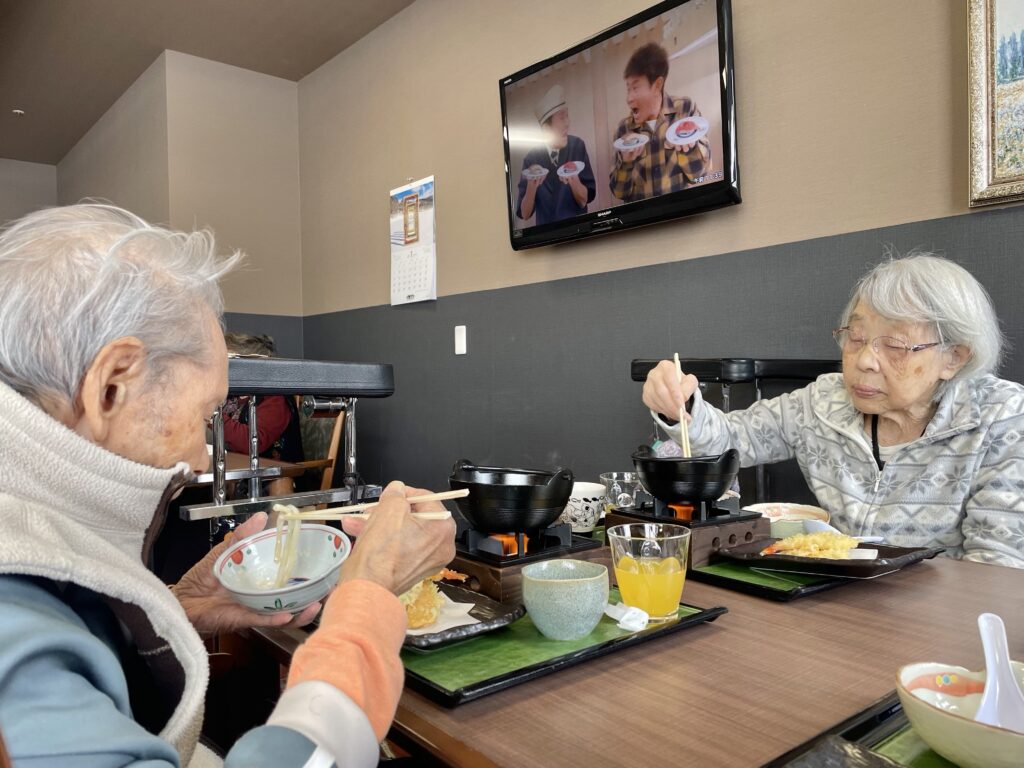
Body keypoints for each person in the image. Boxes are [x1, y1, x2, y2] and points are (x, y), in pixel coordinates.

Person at [0, 203, 457, 767]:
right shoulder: (14, 622)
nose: (201, 456)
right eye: (203, 418)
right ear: (112, 385)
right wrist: (370, 597)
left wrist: (173, 610)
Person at [642, 252, 1024, 568]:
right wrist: (681, 406)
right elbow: (729, 440)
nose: (865, 360)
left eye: (894, 345)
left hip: (939, 620)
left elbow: (998, 567)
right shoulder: (824, 401)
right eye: (855, 338)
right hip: (833, 597)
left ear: (953, 358)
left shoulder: (1000, 416)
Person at [609, 42, 711, 203]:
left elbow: (700, 176)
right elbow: (619, 193)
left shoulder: (685, 110)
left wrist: (688, 150)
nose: (629, 99)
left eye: (635, 88)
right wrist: (626, 163)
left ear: (657, 85)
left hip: (682, 214)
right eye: (628, 89)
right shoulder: (624, 129)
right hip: (642, 218)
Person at [516, 84, 596, 225]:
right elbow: (525, 214)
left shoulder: (577, 146)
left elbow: (584, 200)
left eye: (567, 116)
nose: (568, 123)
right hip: (546, 235)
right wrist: (531, 185)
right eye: (562, 118)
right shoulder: (531, 158)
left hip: (578, 231)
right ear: (546, 129)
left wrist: (573, 178)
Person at [221, 332, 304, 464]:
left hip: (275, 473)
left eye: (228, 362)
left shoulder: (275, 398)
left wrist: (213, 414)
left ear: (251, 367)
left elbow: (253, 444)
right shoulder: (231, 394)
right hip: (234, 468)